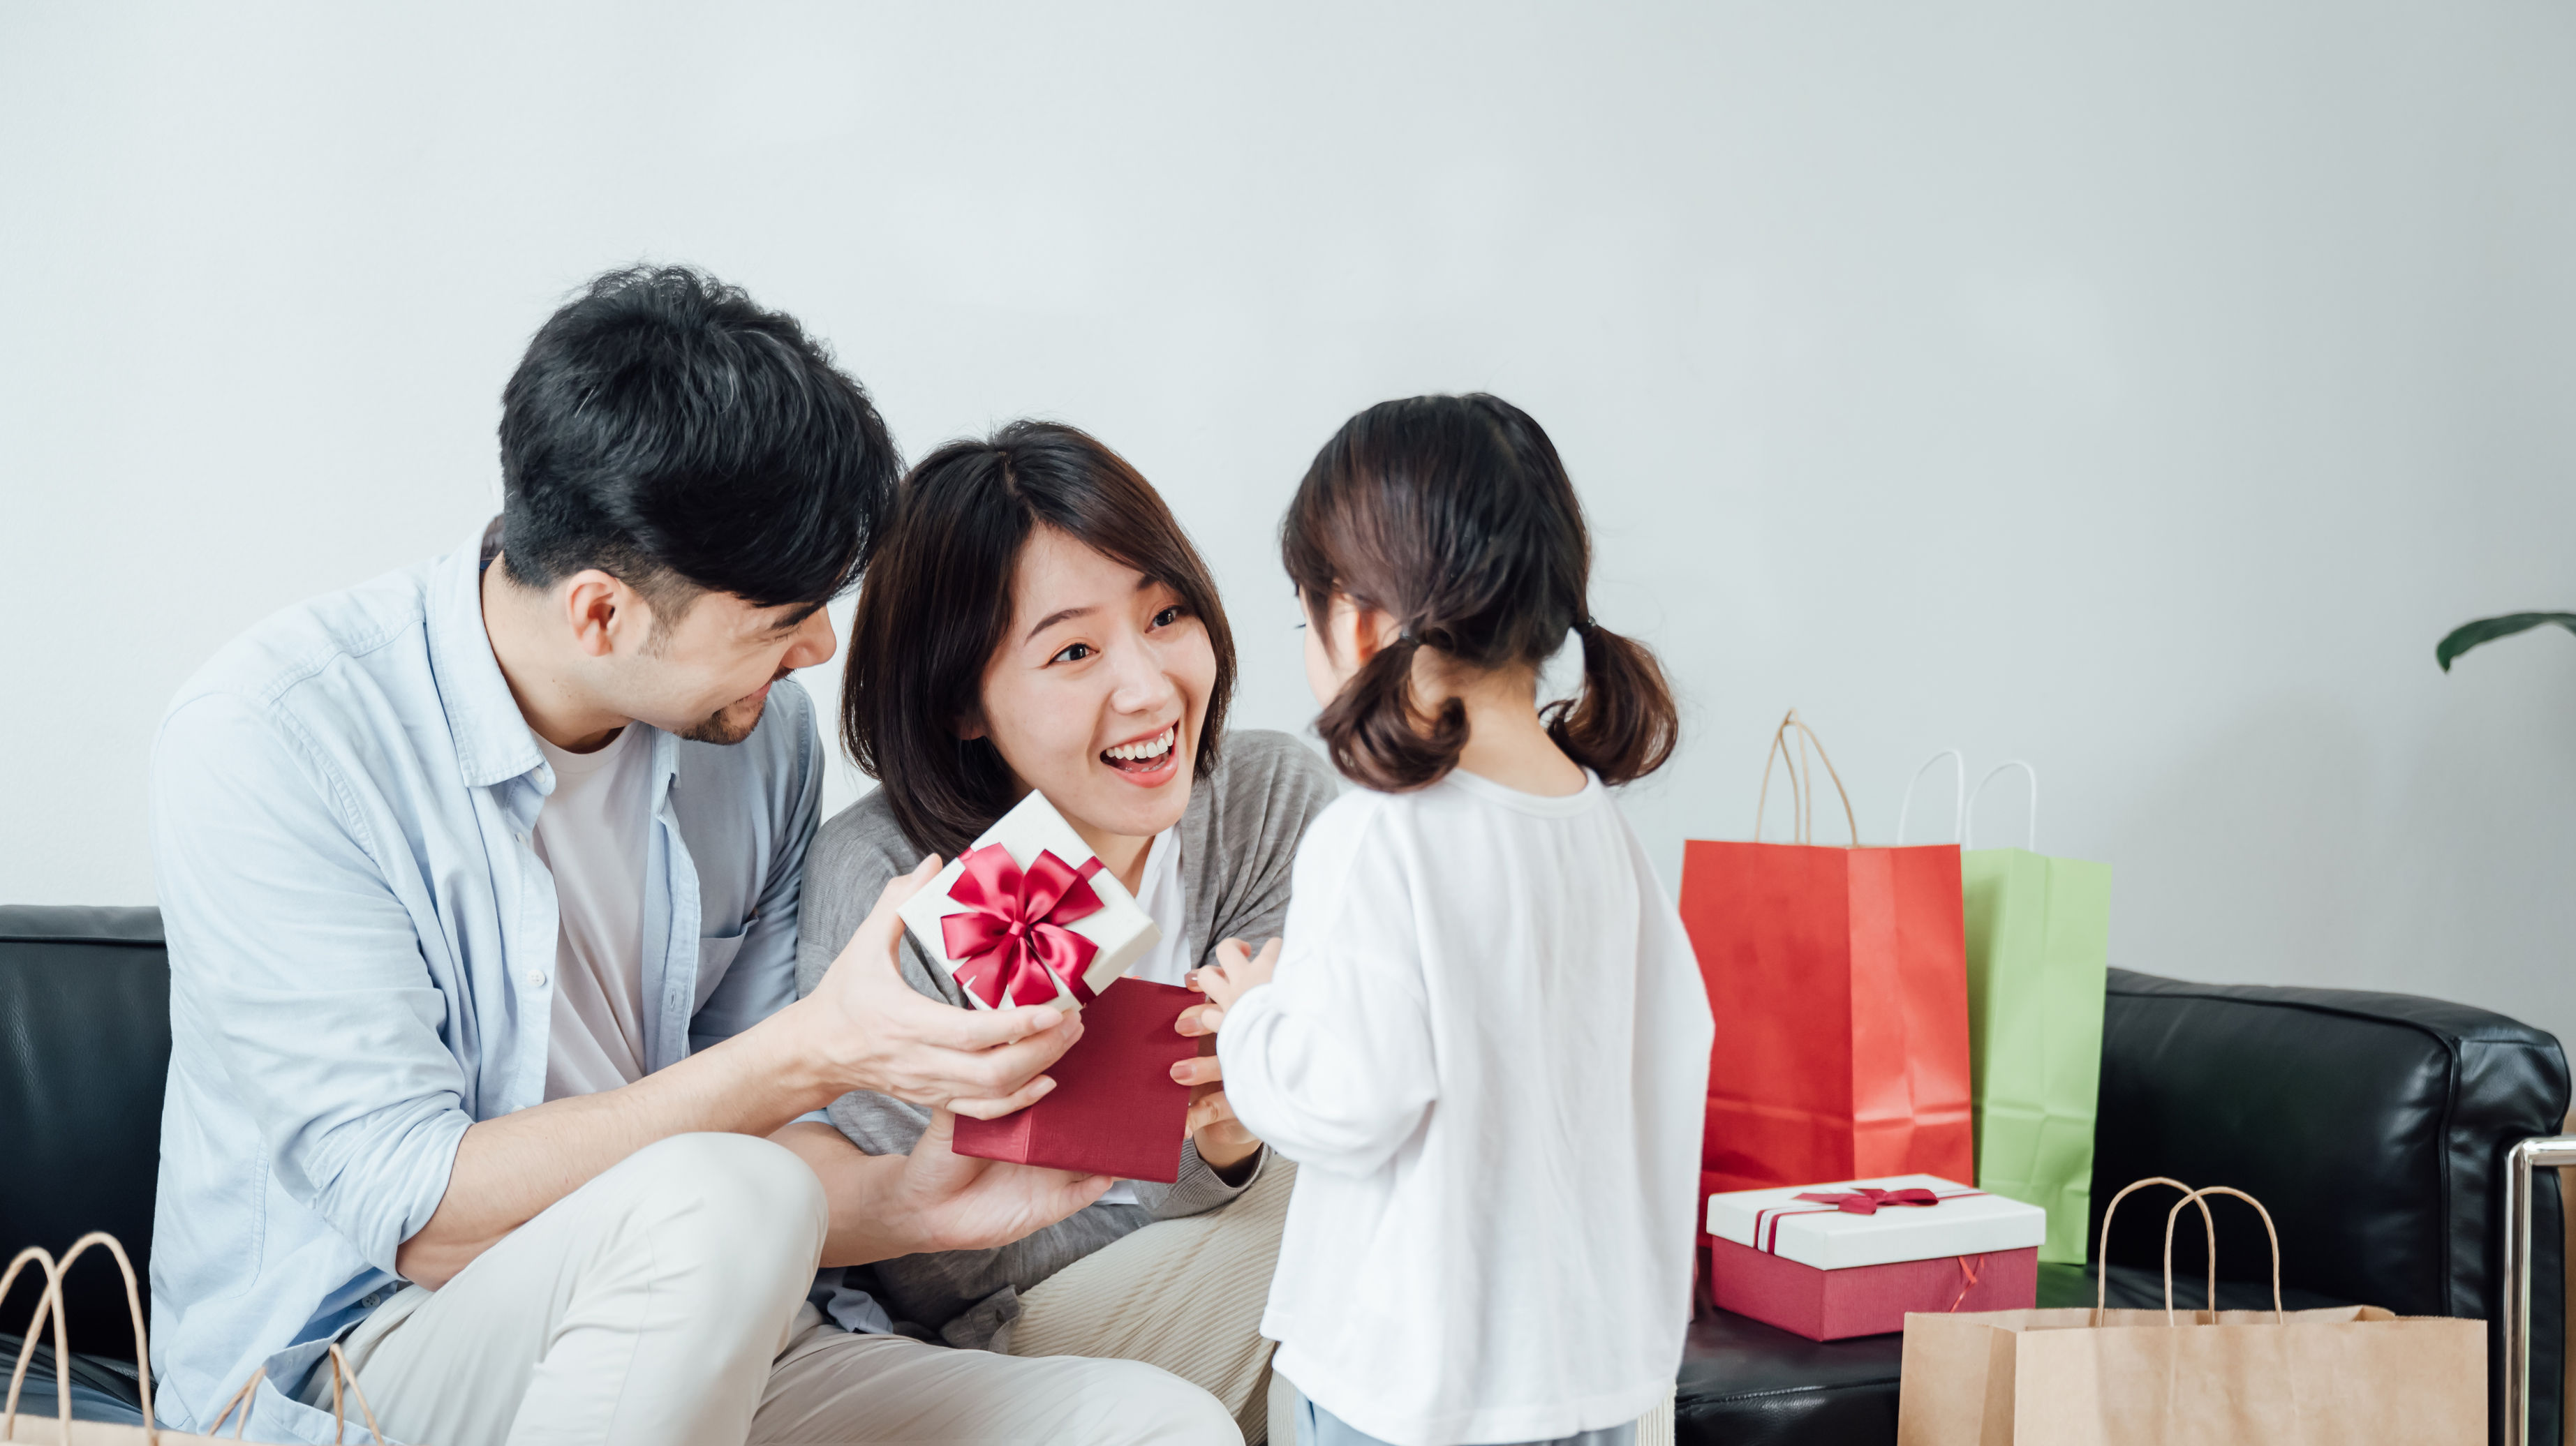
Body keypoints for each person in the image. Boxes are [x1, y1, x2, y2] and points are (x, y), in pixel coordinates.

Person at [149, 267, 1240, 1446]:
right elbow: (420, 1220)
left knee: (1152, 1428)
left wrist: (907, 1203)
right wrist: (816, 1048)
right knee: (724, 1194)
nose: (820, 650)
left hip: (728, 1319)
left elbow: (767, 1190)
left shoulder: (757, 743)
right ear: (602, 614)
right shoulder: (277, 737)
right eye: (780, 621)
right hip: (369, 1352)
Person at [796, 420, 1335, 1441]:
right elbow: (933, 1274)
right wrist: (1216, 1162)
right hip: (1003, 1354)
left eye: (1168, 614)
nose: (1147, 687)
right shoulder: (891, 882)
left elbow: (1313, 1100)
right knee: (1361, 1200)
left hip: (1252, 1293)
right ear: (962, 700)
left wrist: (1238, 1150)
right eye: (1075, 651)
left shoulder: (1266, 802)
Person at [1193, 394, 1713, 1446]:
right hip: (1594, 1370)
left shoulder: (1379, 836)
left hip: (1417, 1382)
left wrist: (1258, 1016)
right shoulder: (1599, 830)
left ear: (1366, 622)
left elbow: (1351, 1101)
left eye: (1307, 619)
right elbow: (1679, 1045)